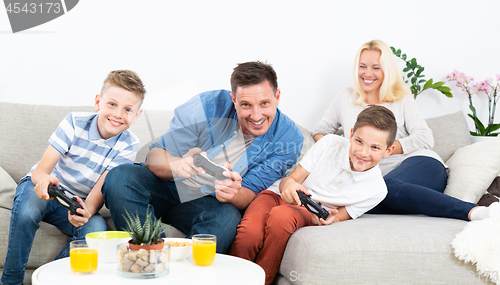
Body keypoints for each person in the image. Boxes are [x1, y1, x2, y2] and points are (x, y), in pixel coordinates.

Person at [101, 61, 304, 253]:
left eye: (264, 103)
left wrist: (232, 192)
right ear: (234, 100)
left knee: (226, 219)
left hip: (208, 202)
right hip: (167, 186)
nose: (256, 115)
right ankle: (151, 254)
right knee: (120, 177)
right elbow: (153, 158)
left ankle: (184, 273)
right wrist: (178, 165)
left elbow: (248, 195)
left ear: (277, 96)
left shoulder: (289, 139)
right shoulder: (207, 105)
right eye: (246, 105)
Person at [313, 39, 500, 221]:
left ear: (387, 70)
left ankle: (476, 212)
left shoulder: (401, 99)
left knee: (384, 188)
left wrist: (380, 148)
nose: (367, 73)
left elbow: (425, 138)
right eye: (362, 66)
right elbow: (320, 131)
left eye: (375, 67)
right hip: (377, 179)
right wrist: (346, 147)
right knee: (370, 195)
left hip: (420, 164)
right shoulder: (346, 97)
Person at [1, 70, 145, 285]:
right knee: (28, 209)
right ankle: (11, 280)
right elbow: (42, 171)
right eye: (112, 104)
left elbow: (100, 189)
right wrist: (43, 182)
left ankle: (47, 278)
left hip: (73, 204)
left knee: (95, 229)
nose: (118, 114)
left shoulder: (129, 144)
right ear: (98, 102)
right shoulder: (75, 122)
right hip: (46, 188)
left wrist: (86, 211)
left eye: (127, 109)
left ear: (137, 115)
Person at [230, 105, 397, 285]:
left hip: (307, 210)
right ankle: (231, 279)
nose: (363, 152)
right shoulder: (329, 143)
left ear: (388, 151)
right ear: (350, 134)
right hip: (275, 194)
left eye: (374, 147)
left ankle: (263, 280)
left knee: (281, 217)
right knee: (249, 232)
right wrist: (289, 186)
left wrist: (328, 219)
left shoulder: (377, 190)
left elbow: (340, 217)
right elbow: (291, 180)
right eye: (359, 142)